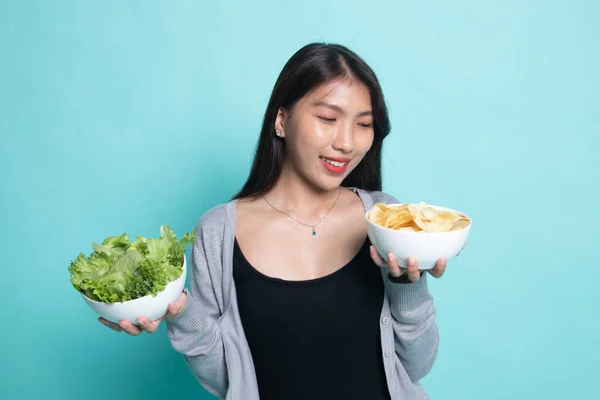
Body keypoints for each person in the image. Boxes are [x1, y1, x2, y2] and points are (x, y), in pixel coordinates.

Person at [99, 42, 453, 400]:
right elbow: (226, 379)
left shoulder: (385, 219)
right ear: (281, 120)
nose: (346, 142)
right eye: (328, 119)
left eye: (364, 124)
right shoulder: (220, 231)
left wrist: (408, 284)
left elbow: (417, 365)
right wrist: (179, 311)